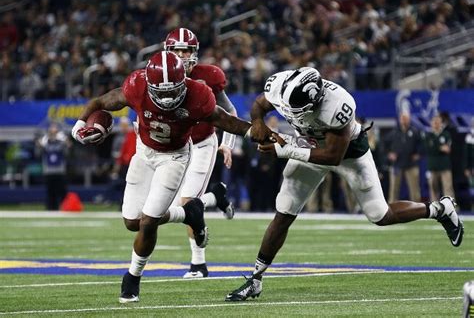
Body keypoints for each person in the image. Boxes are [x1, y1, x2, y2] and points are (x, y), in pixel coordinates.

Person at [225, 67, 464, 302]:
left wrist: (286, 149)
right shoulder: (281, 84)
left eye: (299, 110)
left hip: (349, 154)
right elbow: (259, 105)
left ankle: (439, 209)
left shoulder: (339, 104)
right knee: (284, 212)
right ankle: (255, 279)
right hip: (307, 146)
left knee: (380, 214)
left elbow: (332, 157)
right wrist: (257, 121)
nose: (293, 115)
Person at [71, 51, 260, 304]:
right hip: (144, 153)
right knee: (132, 222)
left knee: (149, 221)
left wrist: (255, 132)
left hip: (174, 157)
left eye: (174, 90)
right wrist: (78, 127)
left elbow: (225, 119)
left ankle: (132, 278)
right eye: (162, 92)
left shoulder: (198, 93)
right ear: (149, 85)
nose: (169, 97)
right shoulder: (137, 85)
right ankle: (189, 213)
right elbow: (100, 102)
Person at [164, 28, 236, 278]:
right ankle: (216, 196)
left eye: (187, 50)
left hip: (204, 142)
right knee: (168, 208)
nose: (183, 55)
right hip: (177, 146)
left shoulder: (210, 75)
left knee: (187, 204)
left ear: (195, 52)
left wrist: (228, 143)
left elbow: (229, 112)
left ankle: (198, 265)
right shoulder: (159, 76)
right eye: (177, 50)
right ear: (168, 53)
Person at [386, 112, 421, 202]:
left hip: (411, 164)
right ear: (400, 120)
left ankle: (417, 209)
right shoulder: (394, 132)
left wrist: (418, 154)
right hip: (396, 164)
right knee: (393, 189)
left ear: (409, 120)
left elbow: (422, 145)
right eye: (402, 118)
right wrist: (389, 153)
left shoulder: (414, 131)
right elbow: (384, 145)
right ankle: (392, 209)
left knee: (414, 189)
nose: (404, 121)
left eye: (406, 119)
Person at [37, 123, 70, 210]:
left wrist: (67, 144)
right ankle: (51, 208)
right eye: (52, 128)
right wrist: (39, 145)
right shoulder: (45, 142)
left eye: (55, 128)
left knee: (62, 192)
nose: (53, 130)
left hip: (60, 171)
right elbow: (38, 154)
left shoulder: (61, 142)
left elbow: (67, 152)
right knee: (50, 192)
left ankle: (65, 207)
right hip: (48, 171)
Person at [422, 115, 454, 202]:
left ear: (441, 123)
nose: (436, 124)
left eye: (438, 122)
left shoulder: (446, 134)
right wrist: (440, 148)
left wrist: (434, 147)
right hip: (432, 166)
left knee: (448, 188)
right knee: (433, 189)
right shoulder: (428, 135)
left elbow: (448, 149)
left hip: (445, 166)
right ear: (431, 124)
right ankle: (435, 208)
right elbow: (428, 149)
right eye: (434, 122)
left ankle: (450, 207)